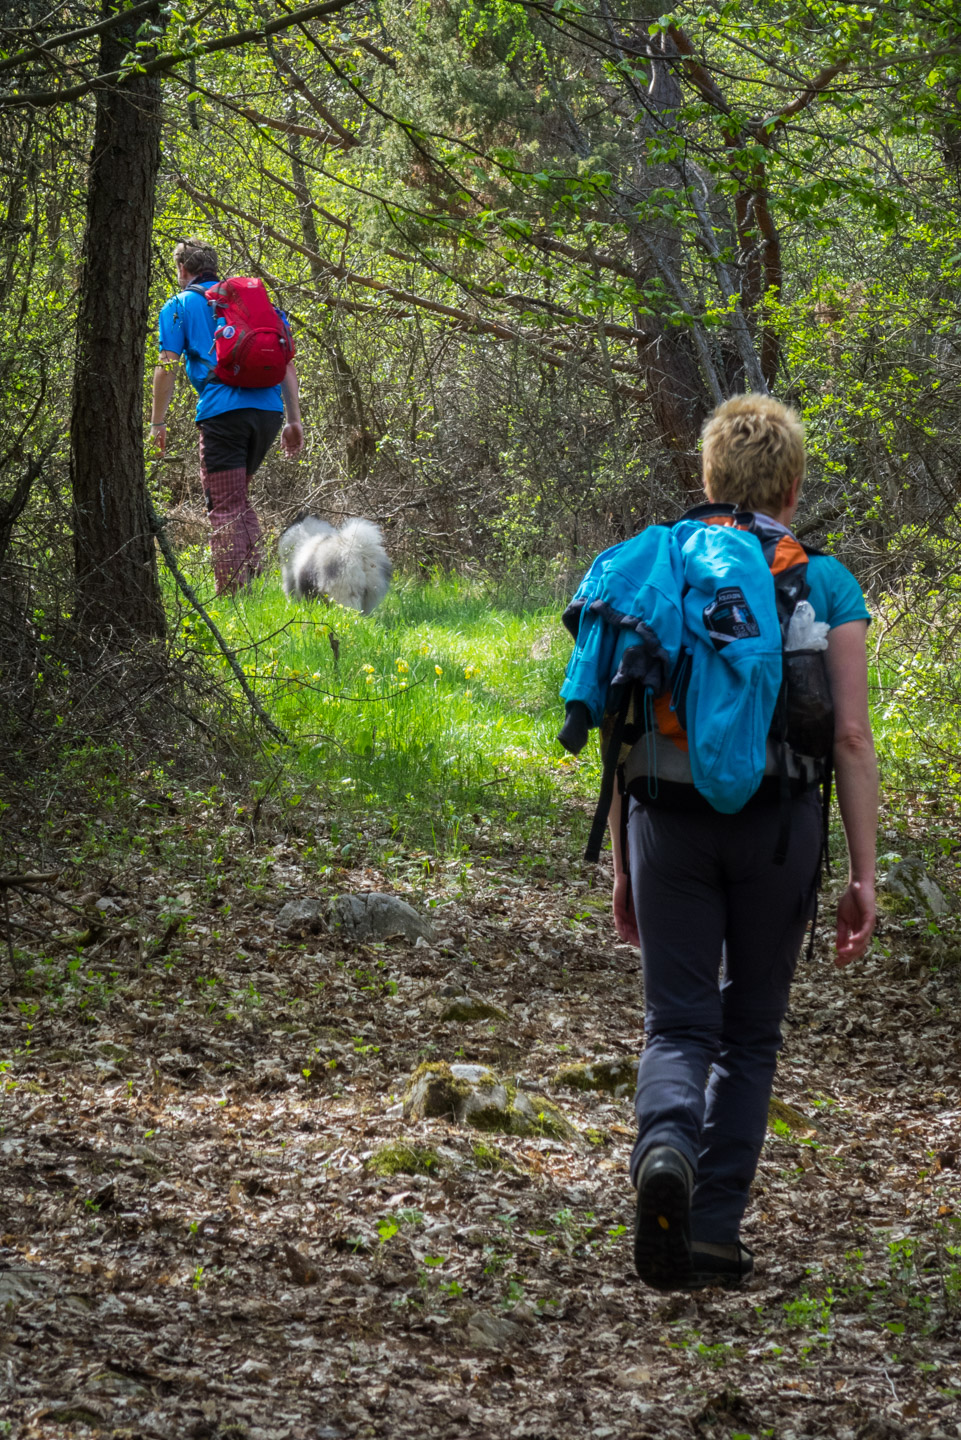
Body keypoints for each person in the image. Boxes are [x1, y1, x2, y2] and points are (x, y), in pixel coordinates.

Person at [609, 393, 877, 1291]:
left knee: (676, 1021)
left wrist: (622, 864)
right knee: (750, 1032)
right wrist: (864, 874)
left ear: (707, 478)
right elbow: (847, 735)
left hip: (664, 814)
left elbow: (621, 722)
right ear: (793, 487)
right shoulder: (825, 581)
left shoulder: (663, 563)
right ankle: (714, 1230)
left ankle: (664, 1152)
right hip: (778, 827)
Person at [149, 237, 304, 594]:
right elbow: (287, 364)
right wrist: (294, 421)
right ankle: (254, 593)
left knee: (223, 507)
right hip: (267, 413)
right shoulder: (254, 304)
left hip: (224, 415)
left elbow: (167, 364)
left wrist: (158, 422)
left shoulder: (180, 305)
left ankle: (233, 598)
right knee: (238, 501)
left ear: (183, 270)